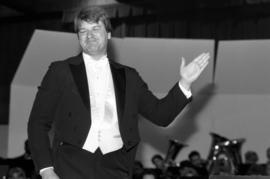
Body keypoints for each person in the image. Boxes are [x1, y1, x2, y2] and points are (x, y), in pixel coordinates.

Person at [27, 6, 210, 179]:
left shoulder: (129, 76)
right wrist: (46, 170)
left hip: (116, 168)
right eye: (83, 31)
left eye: (95, 29)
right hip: (70, 166)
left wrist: (184, 82)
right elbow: (37, 122)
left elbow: (161, 115)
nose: (89, 35)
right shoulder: (60, 71)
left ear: (108, 34)